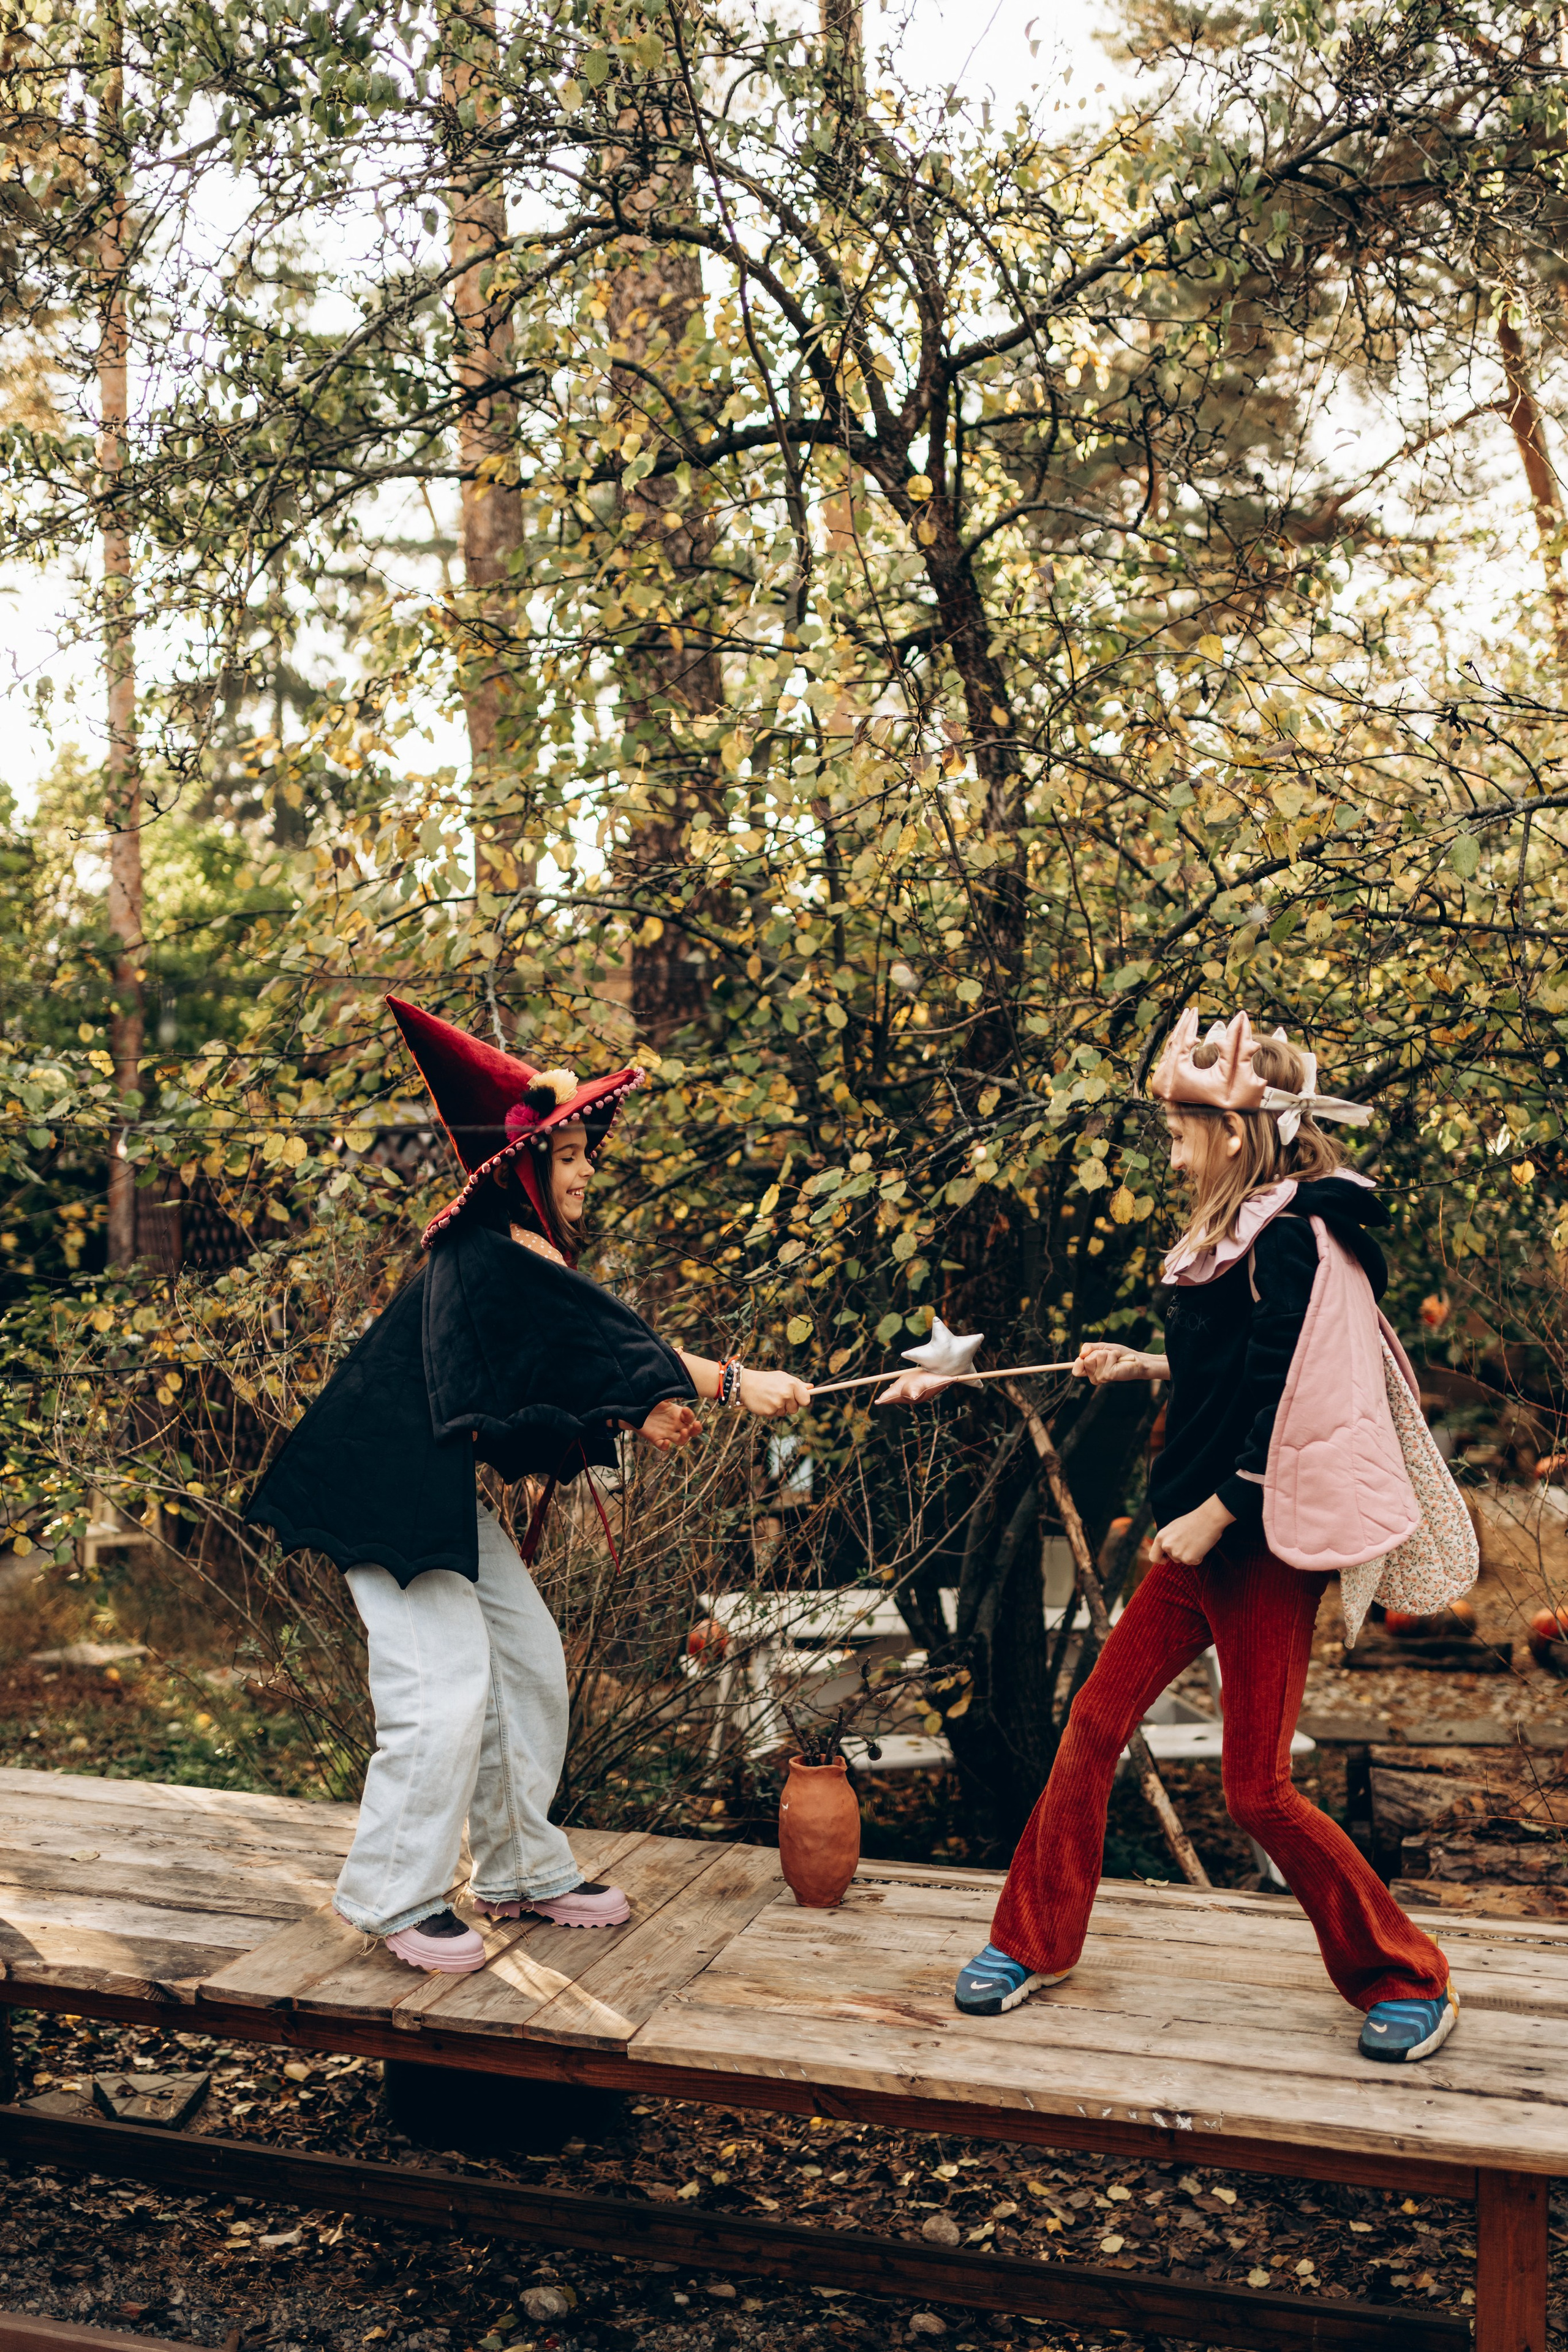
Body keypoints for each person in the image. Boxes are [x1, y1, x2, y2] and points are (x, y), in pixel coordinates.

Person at [247, 996, 810, 1976]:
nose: (590, 1169)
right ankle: (396, 1894)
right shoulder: (488, 1253)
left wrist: (634, 1410)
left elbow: (539, 1380)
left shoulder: (515, 1258)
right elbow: (598, 1345)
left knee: (527, 1658)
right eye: (575, 1154)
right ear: (526, 1164)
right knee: (442, 1687)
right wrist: (724, 1381)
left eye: (590, 1152)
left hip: (431, 1491)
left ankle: (517, 1868)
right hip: (381, 1490)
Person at [943, 1011, 1458, 2065]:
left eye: (1182, 1130)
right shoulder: (1232, 1235)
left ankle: (1409, 1975)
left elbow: (1298, 1401)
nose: (1171, 1151)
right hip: (1199, 1542)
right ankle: (1034, 1941)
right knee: (1092, 1722)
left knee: (1256, 1789)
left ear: (1234, 1133)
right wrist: (1147, 1361)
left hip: (1262, 1549)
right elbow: (1233, 1375)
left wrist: (1214, 1513)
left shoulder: (1304, 1240)